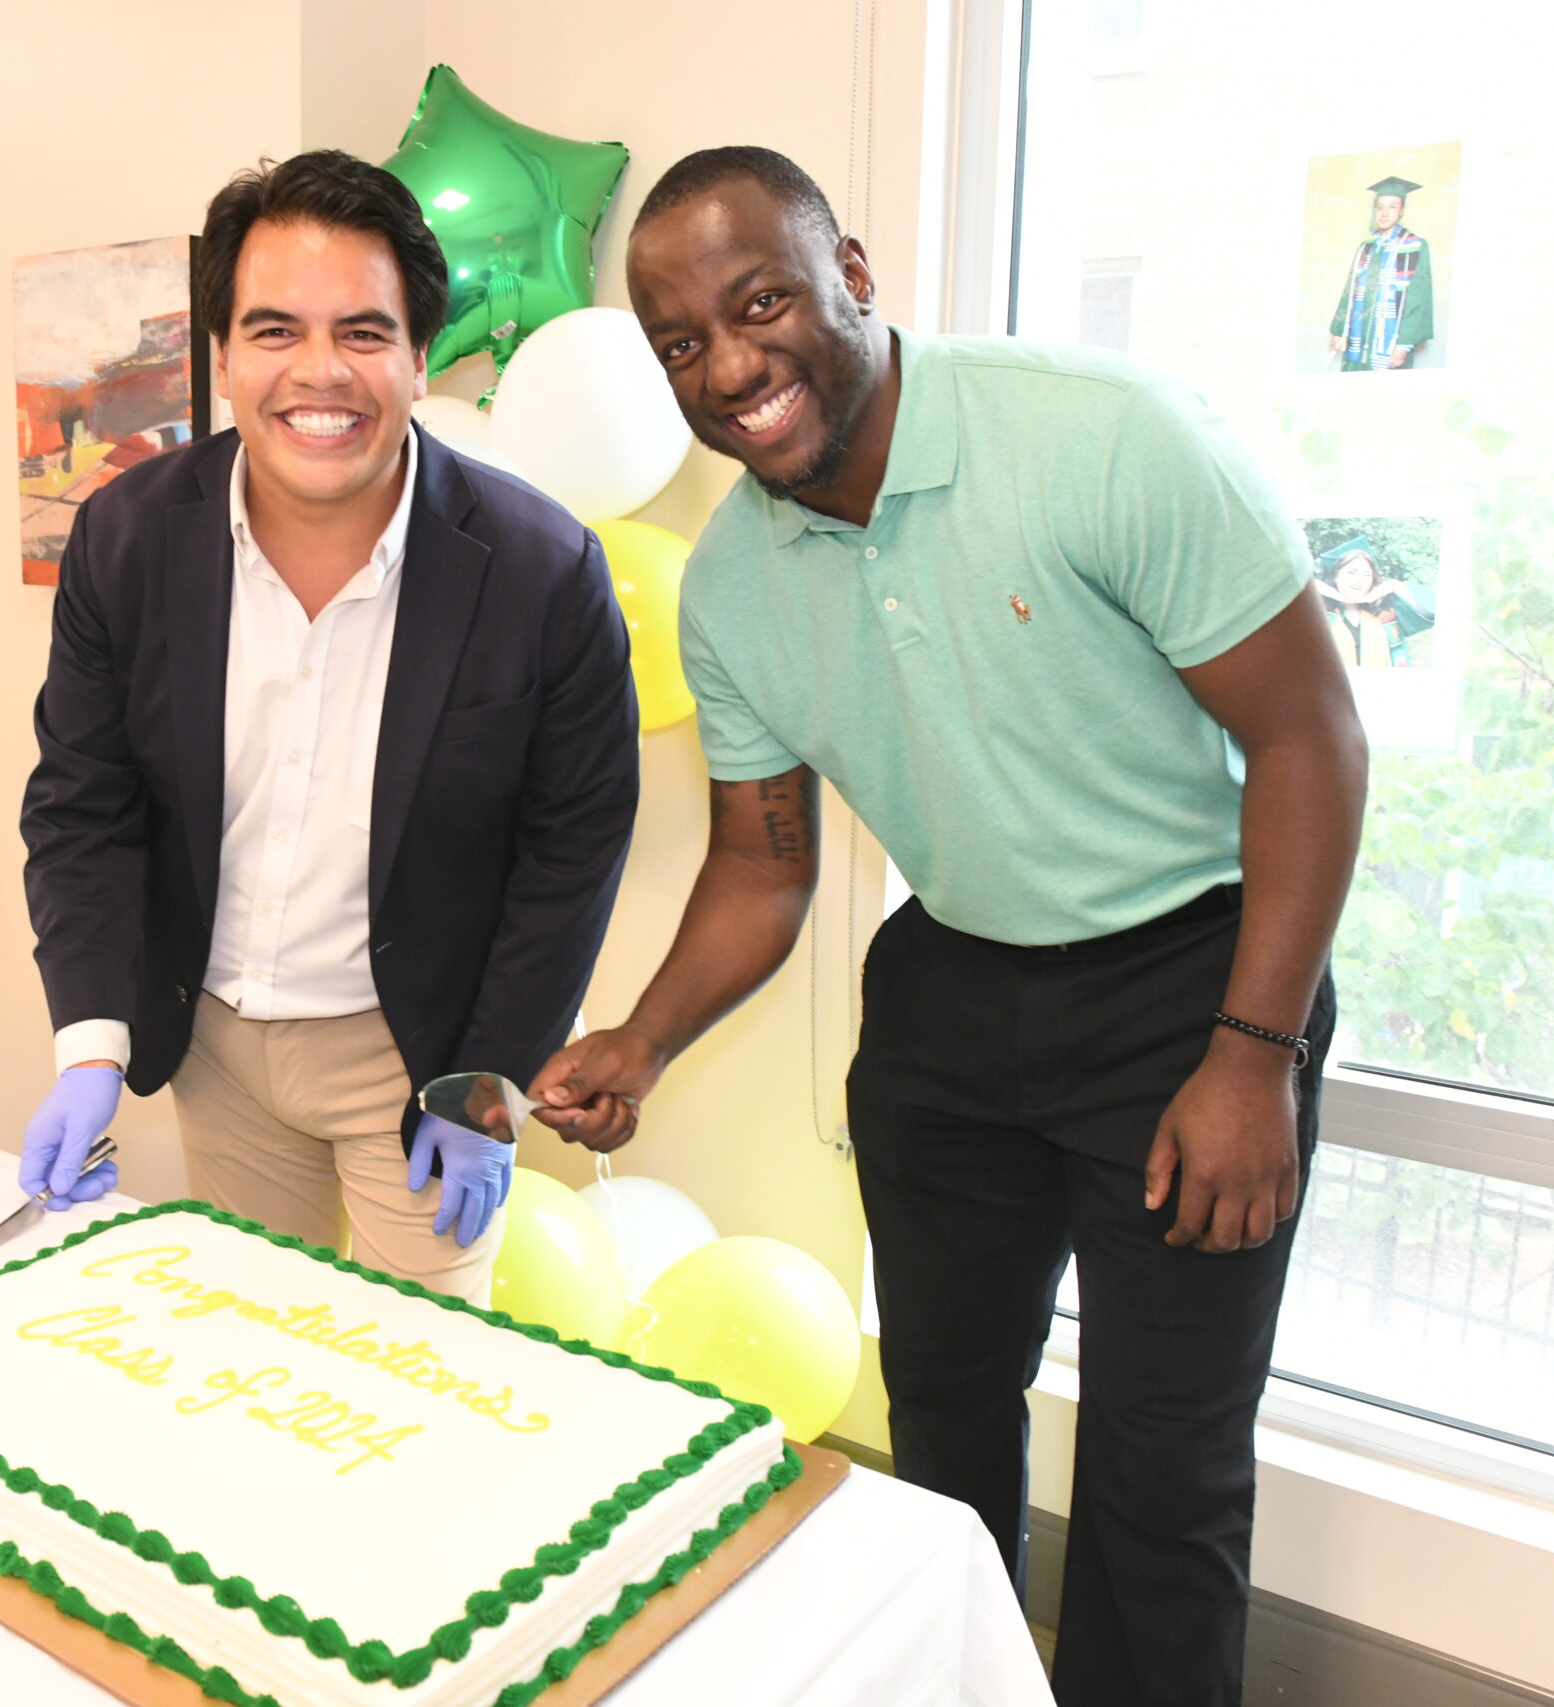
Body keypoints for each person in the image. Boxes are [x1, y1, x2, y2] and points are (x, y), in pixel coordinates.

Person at [531, 147, 1367, 1707]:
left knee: (1159, 1465)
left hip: (1197, 979)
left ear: (850, 269)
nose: (727, 367)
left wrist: (1256, 1054)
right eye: (680, 343)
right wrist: (640, 1037)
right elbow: (762, 865)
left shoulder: (1102, 437)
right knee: (944, 1423)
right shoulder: (730, 587)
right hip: (955, 990)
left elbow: (1315, 741)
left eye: (758, 300)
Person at [17, 150, 639, 1302]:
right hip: (215, 1042)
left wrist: (484, 1080)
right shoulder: (127, 541)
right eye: (273, 331)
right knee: (254, 1359)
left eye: (361, 332)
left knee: (427, 1387)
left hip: (417, 1053)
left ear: (418, 354)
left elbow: (573, 853)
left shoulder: (543, 572)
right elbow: (82, 806)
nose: (318, 373)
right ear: (220, 356)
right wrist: (91, 1040)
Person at [1328, 176, 1436, 371]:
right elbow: (1349, 292)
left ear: (1402, 210)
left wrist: (1403, 346)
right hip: (1356, 339)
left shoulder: (1414, 245)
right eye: (1380, 207)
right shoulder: (1365, 248)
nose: (1385, 213)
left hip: (1390, 342)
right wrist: (1338, 331)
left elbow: (1419, 301)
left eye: (1393, 207)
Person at [1315, 535, 1437, 667]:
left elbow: (1433, 611)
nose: (1359, 579)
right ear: (1335, 576)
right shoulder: (1319, 612)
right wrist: (1324, 591)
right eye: (1352, 572)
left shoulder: (1387, 613)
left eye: (1367, 574)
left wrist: (1394, 585)